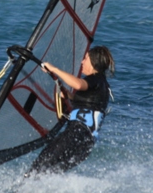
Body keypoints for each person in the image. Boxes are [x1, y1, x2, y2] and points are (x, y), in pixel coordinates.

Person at [26, 45, 114, 176]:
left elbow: (78, 84)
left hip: (76, 135)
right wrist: (69, 96)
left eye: (85, 59)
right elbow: (88, 105)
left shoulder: (94, 78)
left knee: (40, 166)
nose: (82, 62)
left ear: (94, 62)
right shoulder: (102, 85)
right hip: (86, 144)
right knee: (49, 173)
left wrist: (54, 69)